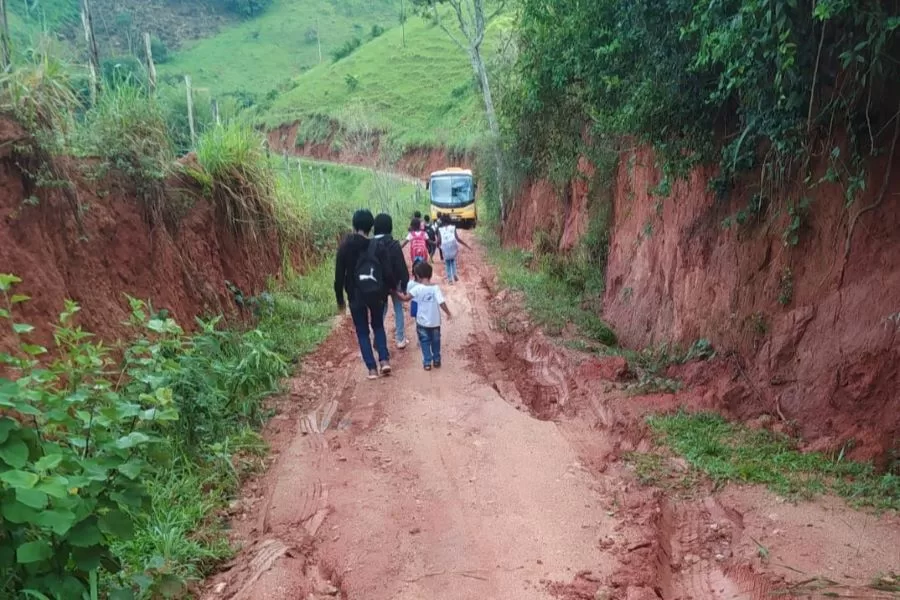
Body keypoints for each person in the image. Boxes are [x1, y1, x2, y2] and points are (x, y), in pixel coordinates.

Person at [334, 209, 395, 379]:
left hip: (355, 295)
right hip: (376, 294)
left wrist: (340, 300)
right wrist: (389, 290)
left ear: (354, 225)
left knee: (362, 331)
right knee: (378, 326)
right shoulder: (378, 246)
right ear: (371, 226)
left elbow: (339, 277)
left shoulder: (345, 247)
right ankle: (384, 361)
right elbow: (388, 273)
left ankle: (372, 369)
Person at [402, 261, 451, 371]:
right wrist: (448, 313)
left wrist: (395, 291)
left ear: (418, 276)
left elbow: (405, 298)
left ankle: (427, 362)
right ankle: (437, 359)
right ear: (430, 274)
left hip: (422, 322)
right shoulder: (435, 288)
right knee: (436, 341)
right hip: (435, 322)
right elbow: (441, 302)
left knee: (424, 342)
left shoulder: (417, 289)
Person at [373, 213, 410, 349]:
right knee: (398, 308)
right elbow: (401, 265)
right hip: (395, 283)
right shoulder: (394, 244)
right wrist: (405, 284)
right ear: (389, 227)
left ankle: (378, 339)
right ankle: (400, 339)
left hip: (379, 285)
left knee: (381, 311)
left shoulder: (371, 245)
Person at [437, 214, 471, 284]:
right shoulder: (453, 227)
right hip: (452, 244)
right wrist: (466, 245)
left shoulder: (440, 229)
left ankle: (450, 280)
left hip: (445, 246)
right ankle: (455, 274)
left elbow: (439, 240)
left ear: (442, 221)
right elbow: (457, 238)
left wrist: (438, 246)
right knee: (453, 260)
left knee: (447, 263)